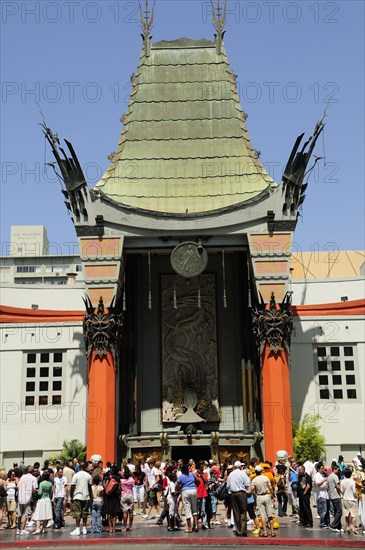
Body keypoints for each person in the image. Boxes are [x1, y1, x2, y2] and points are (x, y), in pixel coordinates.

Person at [226, 460, 251, 537]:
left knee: (236, 512)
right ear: (240, 466)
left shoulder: (230, 474)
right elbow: (247, 484)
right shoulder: (243, 474)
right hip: (242, 493)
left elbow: (228, 486)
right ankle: (243, 530)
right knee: (243, 511)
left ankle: (238, 530)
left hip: (233, 494)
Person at [251, 465, 275, 537]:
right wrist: (273, 496)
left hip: (259, 497)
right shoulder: (265, 478)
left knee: (262, 515)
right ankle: (272, 531)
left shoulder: (254, 480)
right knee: (270, 515)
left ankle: (265, 532)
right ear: (261, 471)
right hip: (267, 495)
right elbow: (270, 487)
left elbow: (253, 491)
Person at [70, 462, 93, 536]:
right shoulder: (88, 476)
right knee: (85, 514)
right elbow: (89, 488)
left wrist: (71, 496)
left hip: (77, 496)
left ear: (79, 467)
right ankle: (84, 528)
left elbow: (72, 486)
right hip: (86, 497)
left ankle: (77, 529)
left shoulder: (76, 475)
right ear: (86, 467)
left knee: (77, 514)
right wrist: (91, 497)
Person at [176, 463, 199, 533]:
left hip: (185, 491)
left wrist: (180, 488)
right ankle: (196, 525)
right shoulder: (192, 474)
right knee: (194, 508)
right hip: (193, 490)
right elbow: (198, 481)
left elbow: (177, 485)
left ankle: (189, 527)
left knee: (187, 509)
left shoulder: (181, 476)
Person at [16, 466, 37, 536]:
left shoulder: (22, 477)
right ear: (33, 471)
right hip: (27, 498)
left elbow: (18, 487)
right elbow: (34, 489)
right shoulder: (33, 478)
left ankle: (18, 529)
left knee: (19, 513)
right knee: (25, 514)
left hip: (20, 497)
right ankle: (23, 529)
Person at [340, 469, 358, 534]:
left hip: (345, 499)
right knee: (353, 515)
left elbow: (341, 490)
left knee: (347, 514)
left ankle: (348, 526)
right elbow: (354, 491)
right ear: (350, 475)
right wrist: (356, 496)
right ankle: (353, 528)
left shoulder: (342, 481)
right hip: (352, 499)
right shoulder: (352, 482)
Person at [327, 464, 343, 533]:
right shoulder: (335, 476)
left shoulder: (329, 477)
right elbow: (337, 486)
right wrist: (341, 492)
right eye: (338, 470)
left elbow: (327, 487)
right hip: (336, 496)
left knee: (336, 511)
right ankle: (333, 525)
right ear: (334, 469)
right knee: (339, 511)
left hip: (331, 496)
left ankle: (338, 527)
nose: (338, 471)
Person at [314, 462, 329, 528]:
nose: (323, 470)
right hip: (321, 495)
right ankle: (322, 523)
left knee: (325, 510)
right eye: (321, 468)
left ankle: (325, 522)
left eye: (323, 468)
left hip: (325, 494)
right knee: (323, 510)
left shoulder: (322, 475)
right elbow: (317, 484)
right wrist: (324, 480)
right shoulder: (317, 475)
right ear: (318, 469)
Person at [120, 466, 135, 532]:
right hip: (130, 495)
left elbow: (119, 488)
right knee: (131, 511)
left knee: (125, 512)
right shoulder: (131, 480)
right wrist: (131, 474)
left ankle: (124, 527)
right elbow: (135, 479)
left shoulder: (122, 481)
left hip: (124, 495)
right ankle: (130, 526)